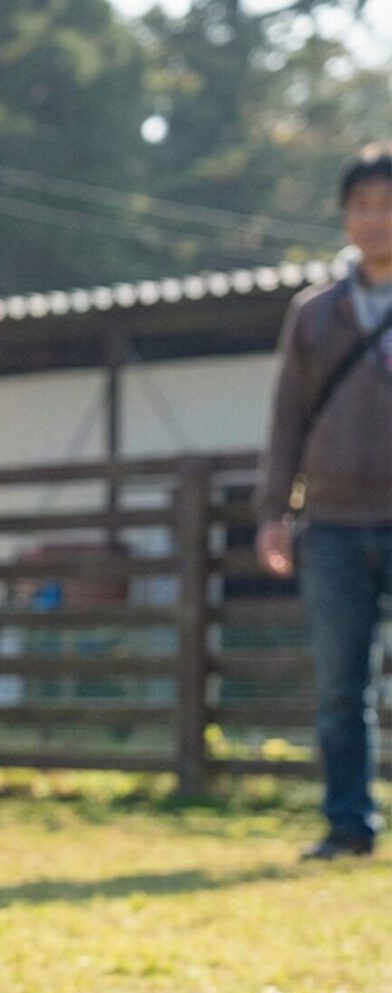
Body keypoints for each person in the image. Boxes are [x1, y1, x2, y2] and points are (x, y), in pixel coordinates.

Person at [255, 141, 392, 861]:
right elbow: (287, 421)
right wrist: (274, 512)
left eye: (387, 205)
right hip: (333, 522)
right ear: (344, 216)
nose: (375, 220)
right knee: (342, 685)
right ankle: (349, 824)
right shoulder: (314, 315)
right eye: (361, 206)